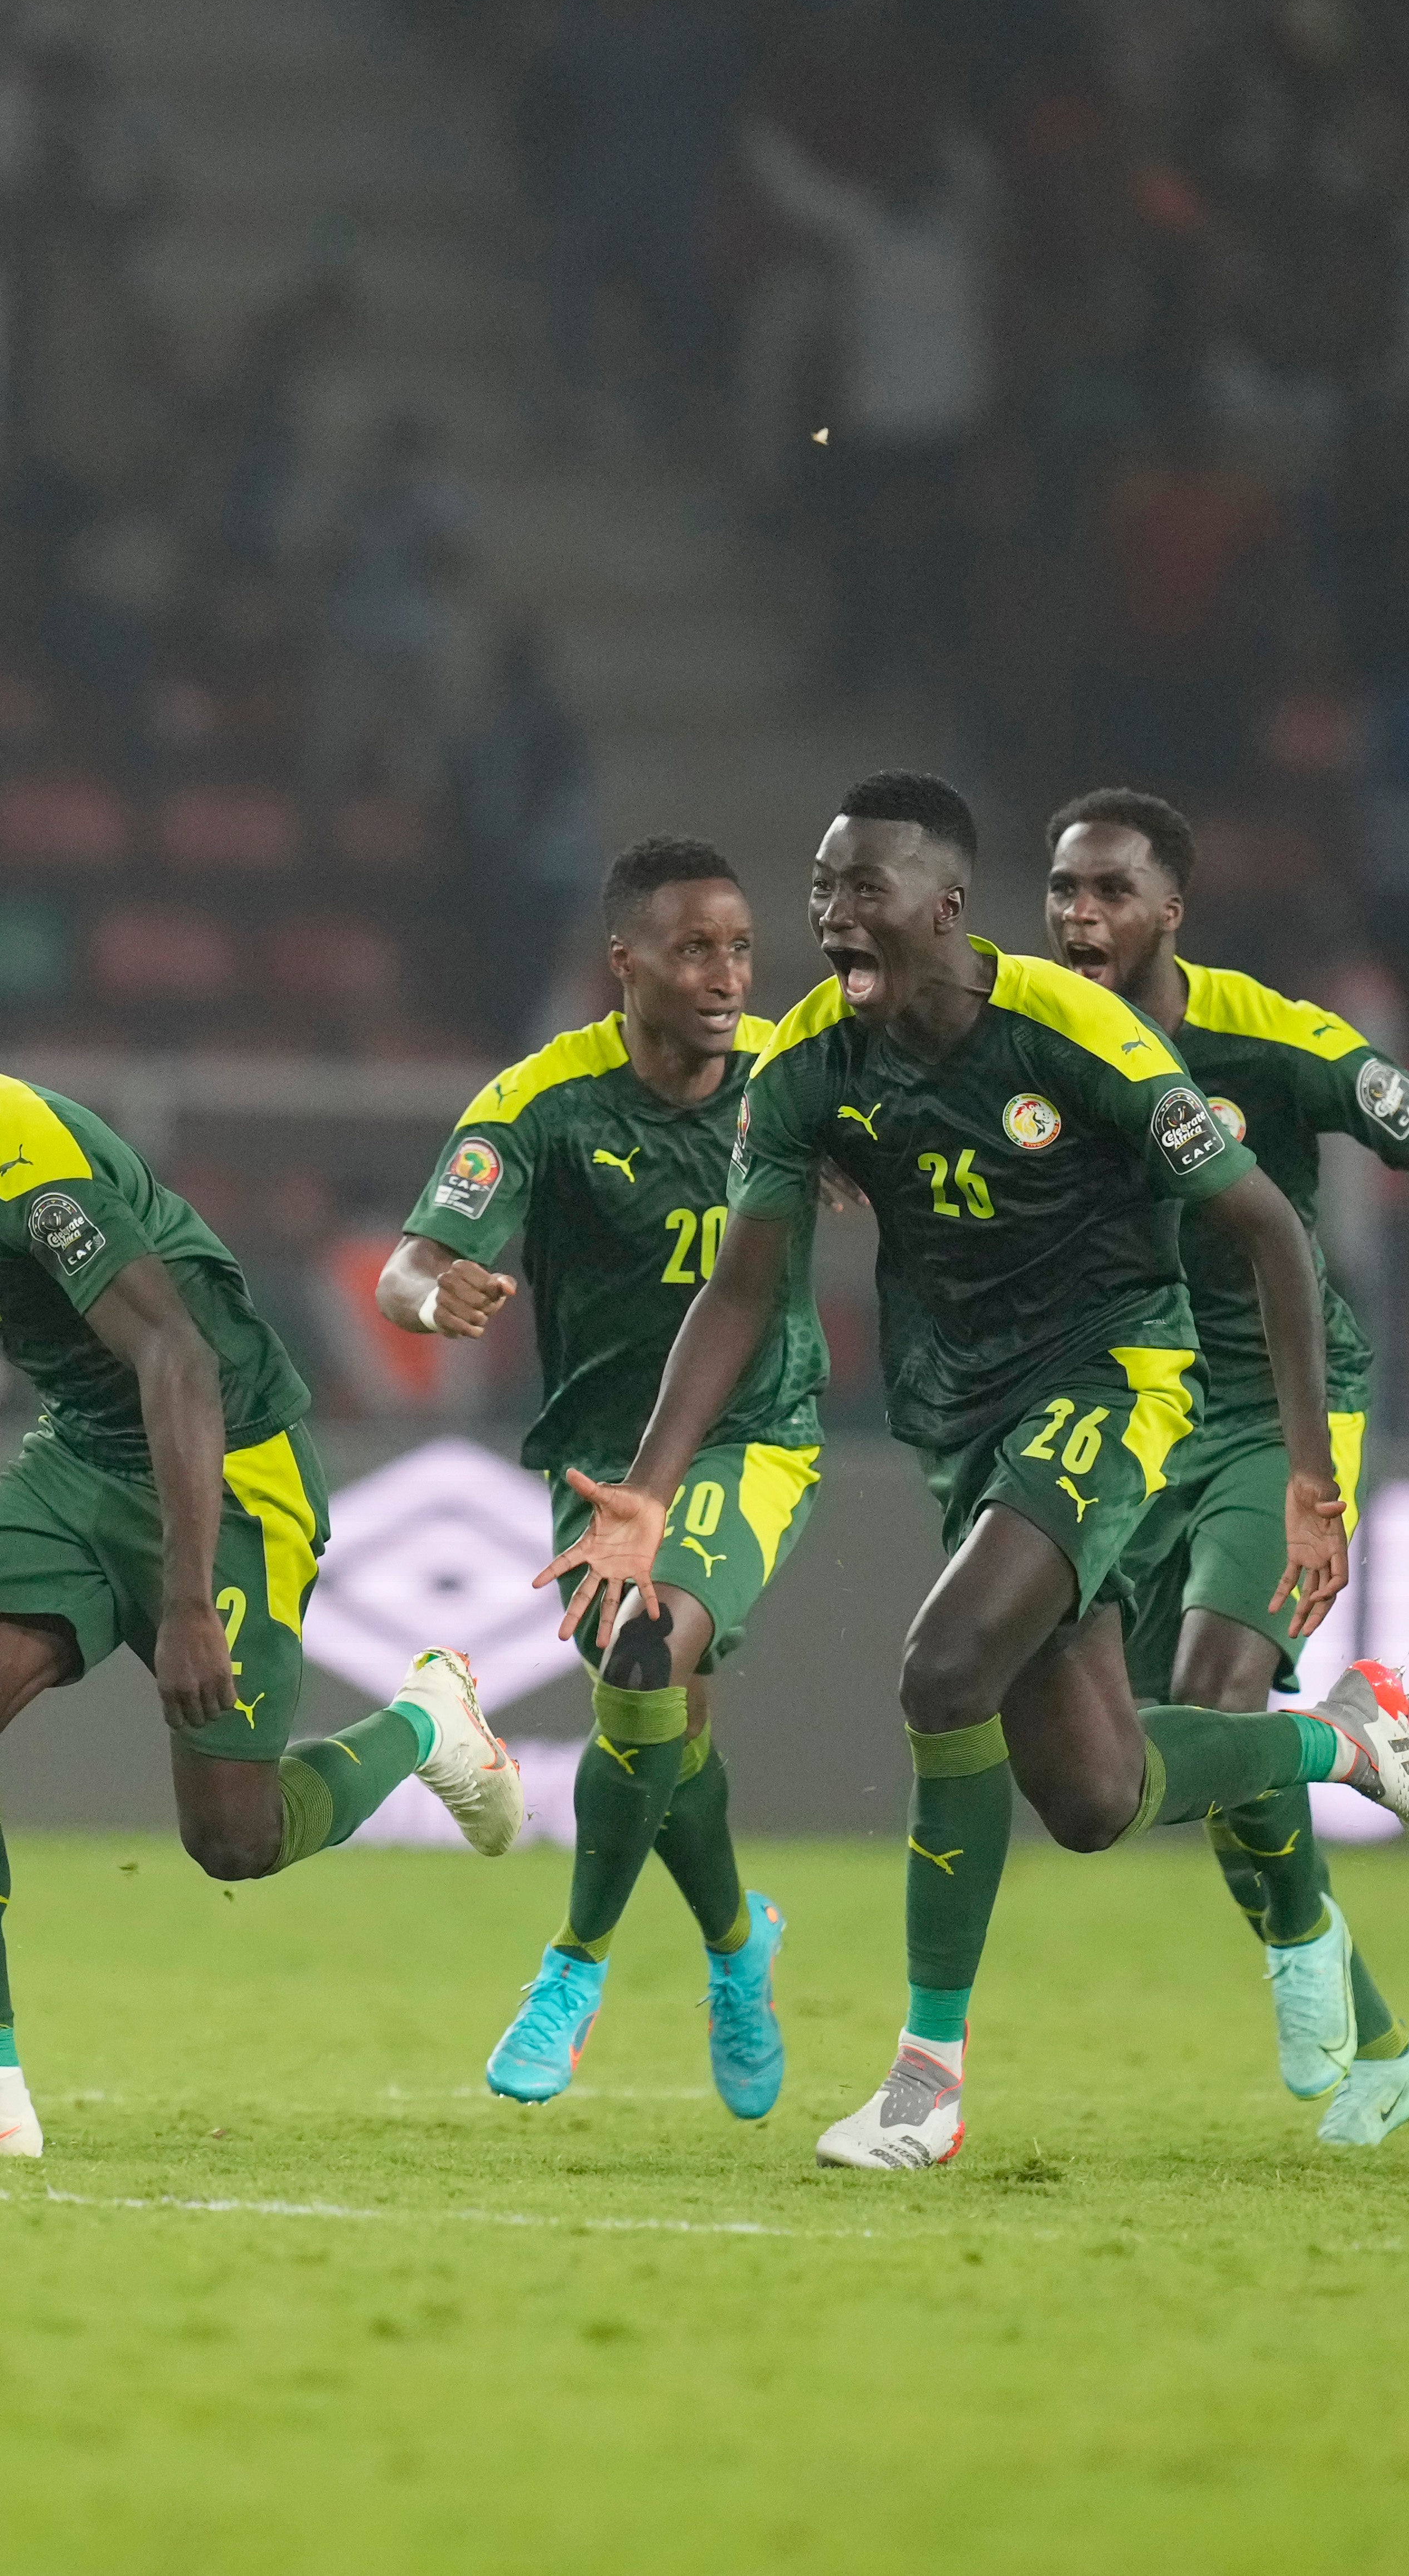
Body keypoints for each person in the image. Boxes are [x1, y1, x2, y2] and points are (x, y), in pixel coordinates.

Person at [546, 771, 1409, 2174]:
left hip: (1117, 1381)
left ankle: (926, 2081)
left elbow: (1270, 1230)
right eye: (820, 888)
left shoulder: (1072, 1030)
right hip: (963, 1424)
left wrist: (1305, 1474)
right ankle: (1338, 1740)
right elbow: (740, 1287)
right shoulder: (806, 1067)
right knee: (1094, 1797)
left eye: (860, 890)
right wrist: (650, 1489)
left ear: (943, 906)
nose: (828, 916)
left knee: (943, 1668)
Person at [0, 930, 524, 2158]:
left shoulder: (21, 1156)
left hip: (225, 1463)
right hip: (86, 1451)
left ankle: (427, 1726)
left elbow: (176, 1357)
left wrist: (186, 1602)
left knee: (233, 1840)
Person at [1047, 789, 1409, 2146]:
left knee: (1215, 1694)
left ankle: (1316, 1857)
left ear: (1171, 911)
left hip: (1279, 1404)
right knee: (1187, 1755)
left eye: (1109, 893)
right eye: (1063, 892)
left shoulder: (1267, 1038)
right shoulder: (1020, 1037)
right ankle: (1381, 2040)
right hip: (1122, 1405)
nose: (1080, 918)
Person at [376, 835, 817, 2116]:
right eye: (692, 950)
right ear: (622, 966)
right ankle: (740, 1950)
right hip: (601, 1462)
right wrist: (430, 1296)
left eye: (739, 947)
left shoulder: (794, 1078)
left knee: (642, 1656)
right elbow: (413, 1261)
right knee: (665, 1729)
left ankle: (571, 1971)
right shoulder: (542, 1103)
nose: (725, 975)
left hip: (752, 1437)